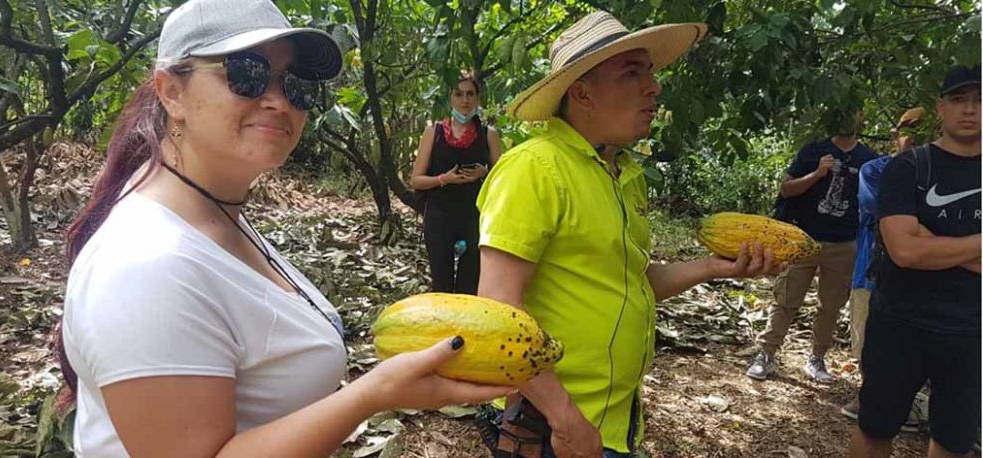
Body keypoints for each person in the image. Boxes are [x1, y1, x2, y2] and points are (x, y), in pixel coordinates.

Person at [54, 0, 510, 455]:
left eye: (295, 84)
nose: (277, 100)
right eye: (245, 73)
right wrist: (374, 393)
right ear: (172, 91)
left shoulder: (215, 212)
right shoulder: (145, 266)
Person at [474, 11, 784, 457]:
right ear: (581, 92)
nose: (653, 87)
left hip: (614, 422)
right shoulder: (534, 168)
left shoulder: (623, 173)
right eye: (632, 73)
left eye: (650, 72)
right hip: (554, 427)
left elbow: (627, 282)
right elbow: (498, 310)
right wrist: (564, 417)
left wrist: (714, 267)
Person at [850, 64, 980, 458]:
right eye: (959, 100)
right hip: (900, 324)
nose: (970, 109)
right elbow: (904, 251)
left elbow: (916, 246)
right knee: (875, 428)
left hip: (972, 332)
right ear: (941, 107)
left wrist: (931, 241)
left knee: (953, 440)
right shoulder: (909, 167)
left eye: (979, 100)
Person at [746, 106, 878, 383]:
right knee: (785, 299)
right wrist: (817, 174)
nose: (847, 117)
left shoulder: (868, 159)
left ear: (861, 116)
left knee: (831, 306)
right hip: (801, 240)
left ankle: (817, 358)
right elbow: (787, 189)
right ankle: (766, 354)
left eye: (852, 111)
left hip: (844, 244)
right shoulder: (813, 150)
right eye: (841, 111)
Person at [840, 107, 929, 431]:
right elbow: (888, 214)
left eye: (924, 130)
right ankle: (871, 399)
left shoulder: (945, 176)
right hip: (872, 272)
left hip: (927, 277)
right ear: (895, 136)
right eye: (909, 130)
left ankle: (911, 405)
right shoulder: (874, 170)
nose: (916, 138)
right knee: (868, 341)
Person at [410, 72, 502, 294]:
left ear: (478, 98)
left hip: (474, 216)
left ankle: (464, 329)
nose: (465, 100)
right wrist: (444, 179)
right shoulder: (435, 132)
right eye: (458, 94)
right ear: (450, 98)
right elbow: (416, 180)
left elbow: (503, 181)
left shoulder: (488, 135)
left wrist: (485, 173)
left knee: (469, 284)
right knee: (441, 284)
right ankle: (442, 328)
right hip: (440, 215)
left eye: (470, 94)